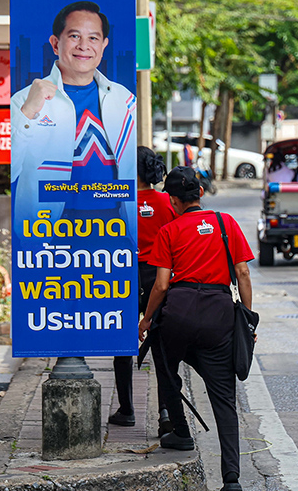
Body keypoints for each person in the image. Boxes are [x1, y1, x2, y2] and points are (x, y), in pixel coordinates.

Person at [138, 166, 253, 491]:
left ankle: (181, 432)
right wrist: (246, 316)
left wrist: (146, 321)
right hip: (218, 317)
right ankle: (231, 479)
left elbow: (160, 286)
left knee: (164, 363)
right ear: (200, 193)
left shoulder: (169, 231)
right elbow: (242, 274)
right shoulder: (225, 223)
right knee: (224, 398)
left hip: (179, 315)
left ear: (172, 200)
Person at [10, 0, 137, 226]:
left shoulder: (124, 99)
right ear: (55, 43)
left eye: (93, 38)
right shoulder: (23, 100)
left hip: (114, 226)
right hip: (45, 226)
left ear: (104, 44)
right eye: (74, 36)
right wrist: (28, 112)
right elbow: (10, 170)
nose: (84, 46)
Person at [110, 147, 176, 431]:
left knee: (122, 346)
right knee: (162, 346)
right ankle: (165, 412)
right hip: (158, 277)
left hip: (123, 275)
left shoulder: (115, 201)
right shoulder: (167, 202)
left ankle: (126, 410)